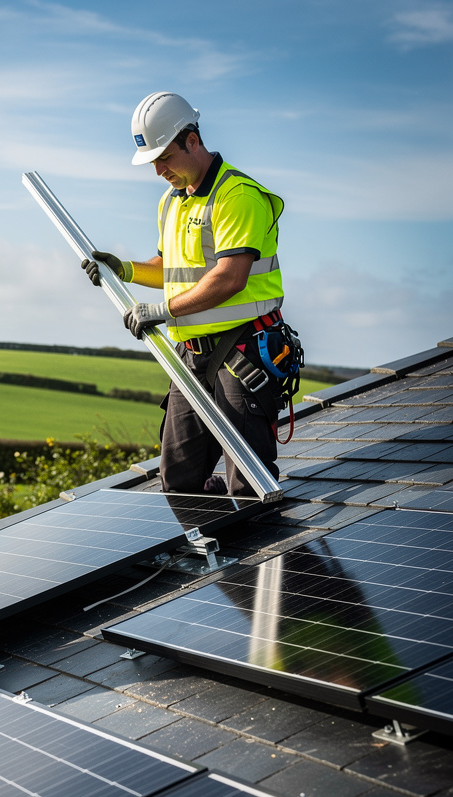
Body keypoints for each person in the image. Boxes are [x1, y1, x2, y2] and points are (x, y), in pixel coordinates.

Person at [82, 91, 287, 497]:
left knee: (248, 485)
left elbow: (230, 277)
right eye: (153, 162)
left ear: (192, 140)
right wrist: (123, 270)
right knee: (178, 479)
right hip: (192, 356)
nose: (158, 170)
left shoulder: (237, 195)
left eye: (165, 158)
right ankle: (217, 555)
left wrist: (162, 311)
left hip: (241, 354)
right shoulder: (171, 202)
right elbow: (169, 270)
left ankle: (252, 556)